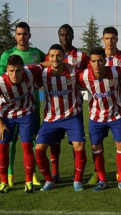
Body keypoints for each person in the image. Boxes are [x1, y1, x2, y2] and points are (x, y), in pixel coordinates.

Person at [0, 22, 46, 188]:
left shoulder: (36, 53)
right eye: (19, 34)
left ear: (29, 35)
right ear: (14, 35)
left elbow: (47, 65)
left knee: (31, 142)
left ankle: (32, 176)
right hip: (10, 109)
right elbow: (0, 75)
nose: (22, 37)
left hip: (31, 107)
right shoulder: (8, 54)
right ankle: (9, 174)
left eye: (25, 34)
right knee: (10, 143)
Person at [86, 26, 121, 186]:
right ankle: (98, 175)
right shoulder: (90, 67)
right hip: (97, 113)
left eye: (113, 38)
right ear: (103, 40)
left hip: (119, 109)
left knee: (120, 143)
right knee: (96, 144)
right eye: (107, 38)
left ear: (117, 39)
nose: (110, 41)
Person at [34, 44, 87, 192]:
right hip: (51, 118)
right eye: (52, 56)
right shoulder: (43, 73)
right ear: (48, 58)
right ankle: (49, 180)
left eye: (58, 55)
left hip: (72, 116)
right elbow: (28, 69)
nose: (55, 58)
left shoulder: (74, 71)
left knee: (80, 147)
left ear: (63, 57)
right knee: (38, 150)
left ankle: (77, 181)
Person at [78, 47, 121, 192]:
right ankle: (102, 180)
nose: (97, 64)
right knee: (96, 147)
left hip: (116, 115)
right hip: (96, 117)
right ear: (90, 62)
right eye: (93, 61)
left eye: (100, 60)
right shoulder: (84, 76)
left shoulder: (116, 71)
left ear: (105, 61)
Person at [0, 55, 43, 194]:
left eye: (18, 71)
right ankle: (4, 183)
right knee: (3, 147)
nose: (14, 74)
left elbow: (45, 64)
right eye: (11, 71)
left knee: (27, 147)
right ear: (7, 69)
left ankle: (29, 182)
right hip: (6, 117)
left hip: (26, 114)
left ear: (23, 69)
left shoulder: (30, 71)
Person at [47, 24, 90, 184]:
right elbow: (44, 68)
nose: (65, 37)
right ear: (59, 36)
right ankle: (55, 173)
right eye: (62, 35)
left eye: (67, 34)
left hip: (74, 107)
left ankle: (77, 175)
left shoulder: (81, 56)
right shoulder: (51, 55)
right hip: (54, 108)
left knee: (76, 143)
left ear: (72, 36)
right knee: (54, 142)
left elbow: (89, 72)